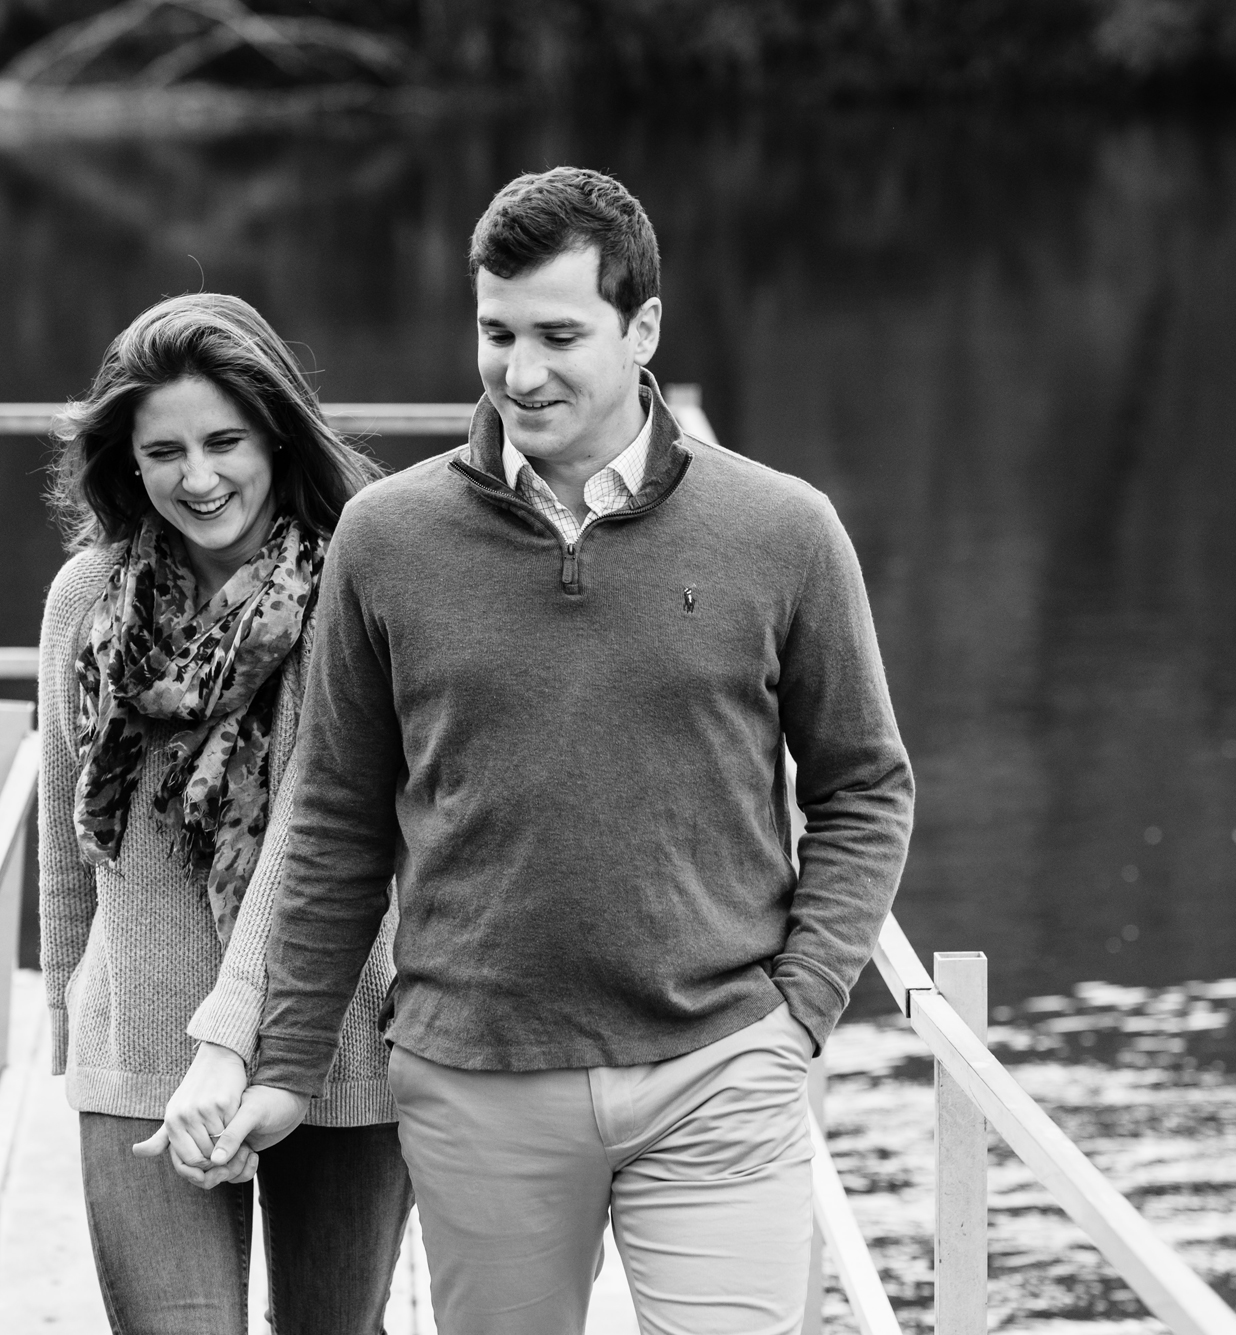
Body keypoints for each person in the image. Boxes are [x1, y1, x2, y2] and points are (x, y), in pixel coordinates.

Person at [202, 167, 917, 1333]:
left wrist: (800, 1009)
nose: (518, 372)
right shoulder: (387, 539)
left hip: (719, 1066)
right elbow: (336, 812)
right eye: (495, 332)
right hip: (475, 1077)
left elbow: (862, 786)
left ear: (641, 329)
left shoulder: (782, 529)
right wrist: (283, 1062)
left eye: (557, 334)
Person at [37, 292, 410, 1335]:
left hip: (330, 1041)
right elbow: (68, 831)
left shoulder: (353, 585)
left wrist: (233, 1043)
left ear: (275, 434)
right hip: (144, 1045)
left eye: (223, 441)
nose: (197, 478)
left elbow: (312, 832)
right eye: (164, 452)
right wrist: (71, 1021)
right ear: (128, 461)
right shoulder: (85, 597)